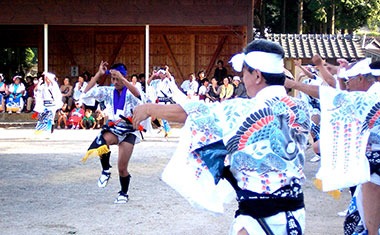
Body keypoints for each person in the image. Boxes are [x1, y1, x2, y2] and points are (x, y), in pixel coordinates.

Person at [132, 39, 311, 234]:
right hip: (295, 216)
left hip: (256, 218)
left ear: (257, 75)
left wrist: (149, 108)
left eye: (244, 73)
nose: (243, 79)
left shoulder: (243, 109)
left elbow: (193, 113)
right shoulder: (302, 109)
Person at [285, 58, 380, 235]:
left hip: (374, 170)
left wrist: (293, 84)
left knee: (369, 222)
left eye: (348, 81)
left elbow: (330, 94)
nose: (346, 86)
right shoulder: (370, 93)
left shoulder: (371, 96)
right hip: (369, 163)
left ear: (360, 78)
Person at [81, 61, 144, 204]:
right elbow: (86, 94)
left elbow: (140, 96)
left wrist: (123, 79)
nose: (115, 82)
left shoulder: (131, 91)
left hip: (129, 130)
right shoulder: (109, 91)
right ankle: (105, 169)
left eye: (117, 79)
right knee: (102, 141)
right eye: (113, 79)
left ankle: (123, 193)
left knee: (122, 168)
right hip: (115, 128)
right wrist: (99, 74)